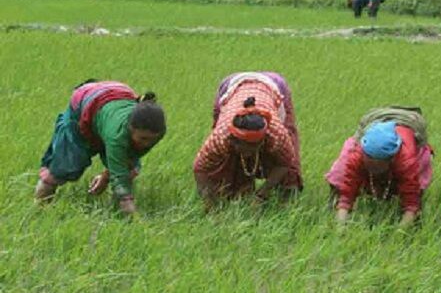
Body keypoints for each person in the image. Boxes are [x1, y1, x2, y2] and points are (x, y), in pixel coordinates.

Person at [35, 79, 166, 214]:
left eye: (152, 140)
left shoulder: (156, 132)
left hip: (112, 100)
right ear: (130, 129)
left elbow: (126, 160)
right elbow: (119, 174)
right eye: (143, 139)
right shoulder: (117, 136)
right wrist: (126, 202)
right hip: (87, 103)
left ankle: (114, 212)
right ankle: (40, 208)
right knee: (63, 166)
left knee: (129, 168)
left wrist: (105, 177)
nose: (147, 144)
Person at [194, 72, 302, 207]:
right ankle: (239, 194)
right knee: (226, 166)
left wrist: (262, 194)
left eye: (253, 148)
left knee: (289, 178)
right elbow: (200, 169)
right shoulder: (221, 136)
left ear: (262, 141)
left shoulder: (276, 134)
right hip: (231, 86)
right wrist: (210, 203)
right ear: (233, 140)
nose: (247, 154)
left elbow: (286, 162)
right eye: (244, 148)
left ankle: (284, 201)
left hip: (275, 86)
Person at [326, 106, 433, 226]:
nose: (373, 169)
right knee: (341, 170)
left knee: (416, 183)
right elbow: (347, 192)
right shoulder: (357, 155)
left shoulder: (406, 161)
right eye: (370, 164)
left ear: (391, 160)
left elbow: (411, 201)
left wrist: (400, 231)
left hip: (408, 157)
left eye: (378, 166)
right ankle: (332, 206)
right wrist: (340, 225)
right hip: (364, 156)